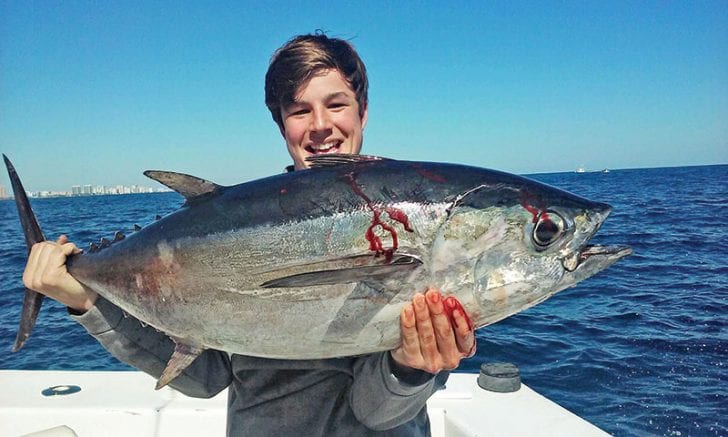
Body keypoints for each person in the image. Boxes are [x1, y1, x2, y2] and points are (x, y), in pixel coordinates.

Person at [22, 33, 476, 436]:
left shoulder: (416, 223)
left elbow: (375, 414)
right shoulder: (230, 221)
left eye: (336, 104)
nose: (320, 125)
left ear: (363, 111)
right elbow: (205, 378)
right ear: (282, 125)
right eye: (299, 110)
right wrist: (85, 299)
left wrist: (413, 370)